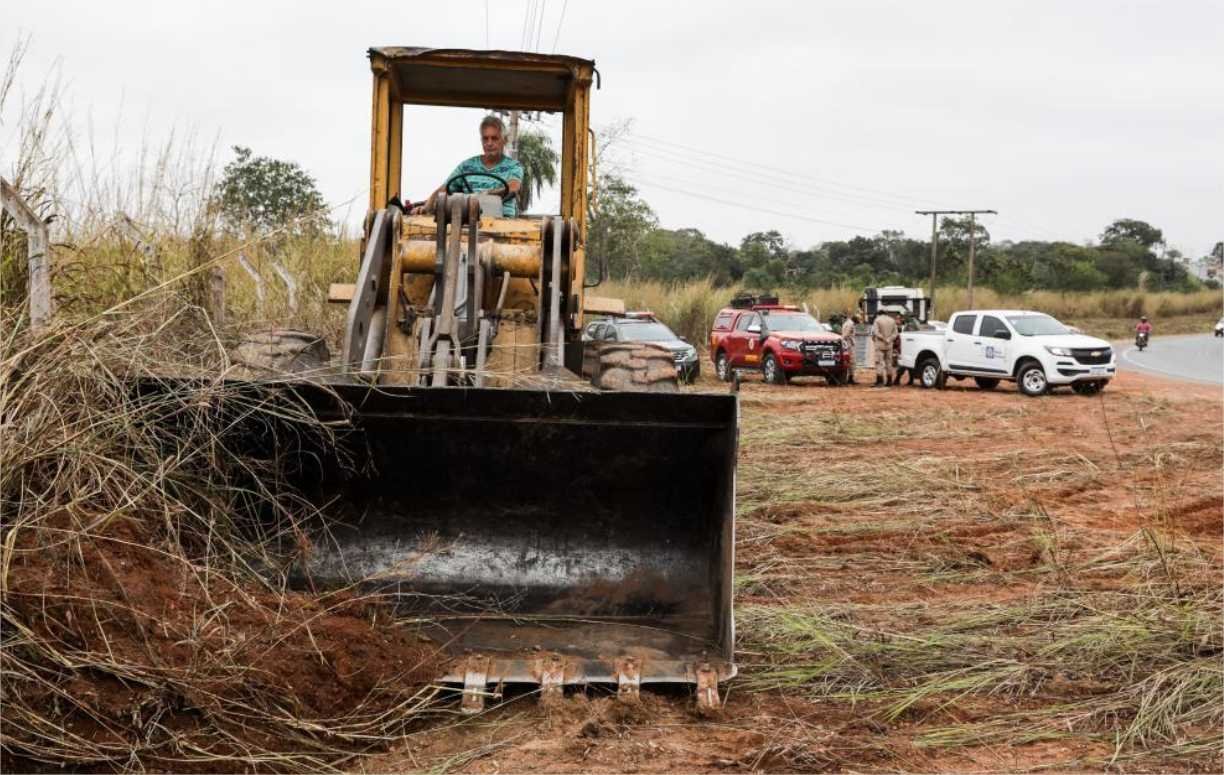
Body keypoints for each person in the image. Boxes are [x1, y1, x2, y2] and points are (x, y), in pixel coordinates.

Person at [412, 115, 523, 217]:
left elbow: (513, 188)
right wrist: (425, 207)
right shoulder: (466, 166)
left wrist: (484, 195)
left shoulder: (513, 166)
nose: (489, 143)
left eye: (494, 138)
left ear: (504, 140)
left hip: (503, 223)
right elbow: (444, 190)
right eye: (485, 138)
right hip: (468, 222)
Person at [871, 310, 900, 387]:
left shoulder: (877, 320)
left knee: (879, 362)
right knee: (889, 362)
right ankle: (889, 381)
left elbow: (876, 332)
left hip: (880, 344)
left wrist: (884, 338)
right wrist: (889, 339)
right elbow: (896, 333)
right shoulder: (892, 320)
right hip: (889, 345)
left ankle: (880, 381)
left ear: (879, 314)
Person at [840, 313, 859, 384]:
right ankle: (850, 378)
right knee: (851, 361)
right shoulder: (850, 324)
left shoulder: (847, 323)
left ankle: (849, 377)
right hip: (849, 344)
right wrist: (843, 340)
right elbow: (846, 334)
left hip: (847, 343)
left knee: (849, 361)